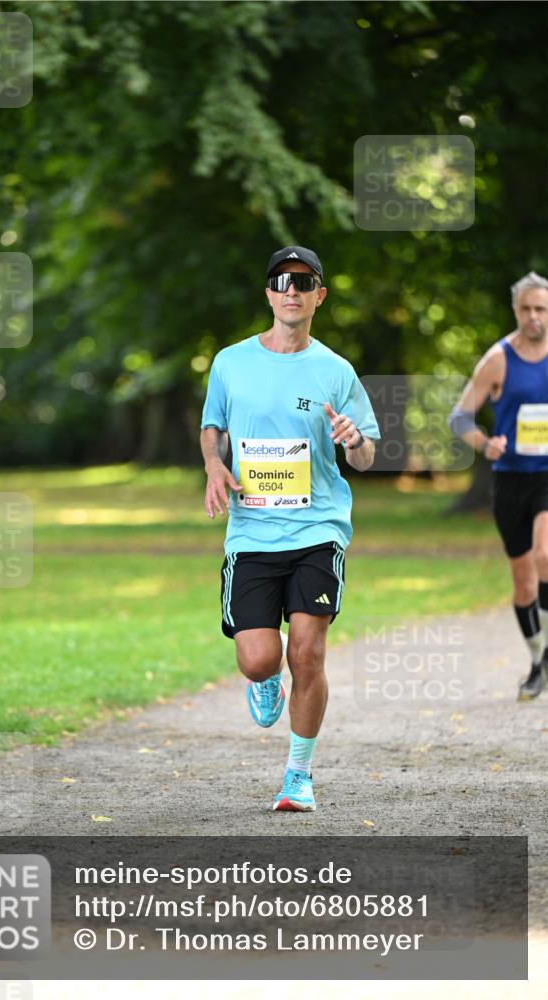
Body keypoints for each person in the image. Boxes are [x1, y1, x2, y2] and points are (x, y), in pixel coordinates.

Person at [200, 246, 380, 812]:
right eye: (282, 281)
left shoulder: (336, 371)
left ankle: (298, 776)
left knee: (307, 652)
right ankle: (263, 679)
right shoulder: (231, 362)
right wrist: (213, 464)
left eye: (304, 281)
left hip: (317, 531)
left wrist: (355, 441)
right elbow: (212, 426)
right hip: (252, 534)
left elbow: (369, 455)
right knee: (259, 657)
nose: (292, 290)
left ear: (319, 294)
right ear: (270, 293)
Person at [448, 271, 548, 700]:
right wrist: (485, 445)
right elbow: (458, 418)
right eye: (526, 308)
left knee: (546, 553)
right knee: (524, 583)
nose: (533, 316)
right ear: (515, 311)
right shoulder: (499, 359)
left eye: (541, 308)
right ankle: (538, 659)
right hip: (510, 482)